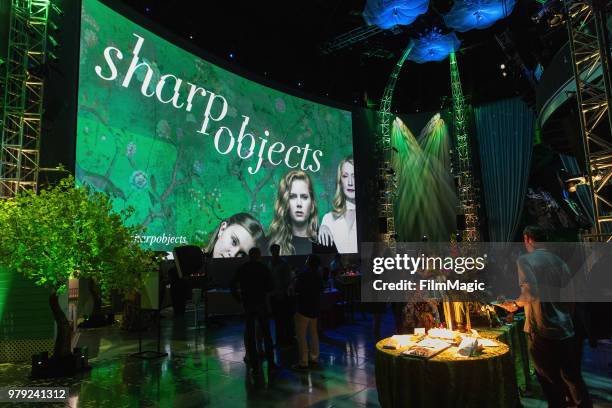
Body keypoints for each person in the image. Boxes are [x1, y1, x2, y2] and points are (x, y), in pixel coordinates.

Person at [500, 226, 592, 408]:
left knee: (549, 381)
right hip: (565, 328)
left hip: (541, 329)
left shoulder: (525, 260)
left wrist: (515, 304)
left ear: (527, 239)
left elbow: (530, 292)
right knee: (572, 377)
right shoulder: (559, 262)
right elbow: (570, 296)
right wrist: (566, 319)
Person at [230, 247, 277, 375]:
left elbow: (232, 284)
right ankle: (271, 362)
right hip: (261, 303)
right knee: (266, 334)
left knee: (250, 335)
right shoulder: (263, 268)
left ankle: (254, 363)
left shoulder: (243, 268)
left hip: (248, 304)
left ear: (249, 255)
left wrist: (239, 298)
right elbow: (270, 287)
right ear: (259, 255)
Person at [268, 170, 335, 255]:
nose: (299, 204)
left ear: (312, 203)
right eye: (292, 197)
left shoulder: (324, 240)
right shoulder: (272, 242)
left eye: (304, 197)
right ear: (285, 202)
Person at [319, 156, 357, 253]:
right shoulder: (328, 218)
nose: (350, 182)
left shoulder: (369, 216)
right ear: (340, 181)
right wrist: (323, 227)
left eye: (354, 175)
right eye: (345, 176)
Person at [293, 255, 324, 370]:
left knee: (301, 336)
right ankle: (314, 358)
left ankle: (303, 362)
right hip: (315, 308)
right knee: (313, 334)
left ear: (308, 263)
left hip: (303, 308)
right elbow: (321, 289)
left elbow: (296, 289)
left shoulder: (303, 275)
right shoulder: (318, 275)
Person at [268, 243, 295, 347]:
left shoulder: (282, 264)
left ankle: (287, 339)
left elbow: (288, 281)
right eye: (275, 250)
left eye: (277, 250)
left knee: (284, 319)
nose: (276, 252)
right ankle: (281, 340)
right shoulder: (272, 263)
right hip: (275, 295)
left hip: (282, 295)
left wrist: (283, 292)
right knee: (278, 319)